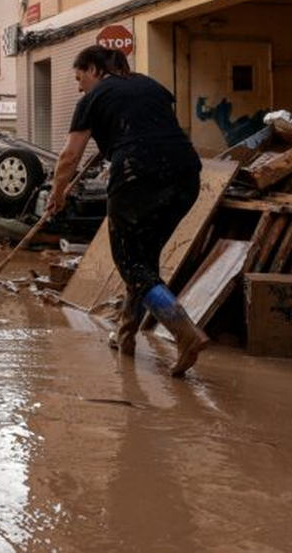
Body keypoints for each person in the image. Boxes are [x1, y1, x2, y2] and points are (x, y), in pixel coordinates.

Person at [46, 45, 208, 377]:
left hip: (137, 173)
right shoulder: (151, 86)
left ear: (93, 69)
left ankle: (185, 333)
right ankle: (126, 334)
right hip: (186, 174)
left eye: (79, 78)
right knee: (144, 261)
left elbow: (68, 158)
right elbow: (151, 126)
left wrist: (58, 193)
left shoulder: (93, 97)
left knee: (130, 262)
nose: (79, 87)